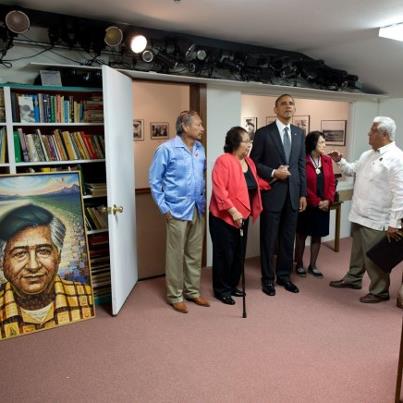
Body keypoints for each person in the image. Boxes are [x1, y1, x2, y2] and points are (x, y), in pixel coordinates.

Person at [329, 116, 403, 303]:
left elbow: (400, 193)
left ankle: (380, 291)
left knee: (374, 257)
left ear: (384, 134)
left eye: (372, 131)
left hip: (378, 217)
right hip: (359, 213)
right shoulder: (368, 154)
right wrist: (340, 161)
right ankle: (353, 278)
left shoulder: (397, 158)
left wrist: (394, 223)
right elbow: (352, 170)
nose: (368, 134)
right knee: (357, 252)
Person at [0, 204, 94, 340]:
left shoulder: (87, 297)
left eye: (43, 251)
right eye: (20, 253)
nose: (33, 266)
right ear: (2, 262)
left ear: (58, 255)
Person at [149, 110, 210, 313]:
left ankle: (192, 291)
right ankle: (175, 295)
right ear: (185, 127)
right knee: (176, 254)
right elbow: (155, 181)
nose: (202, 128)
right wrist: (164, 208)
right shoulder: (166, 149)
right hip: (175, 209)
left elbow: (200, 177)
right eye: (199, 125)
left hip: (197, 208)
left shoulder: (200, 149)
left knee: (194, 254)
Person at [250, 94, 307, 296]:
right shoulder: (264, 133)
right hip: (272, 194)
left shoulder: (300, 133)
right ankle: (268, 279)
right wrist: (274, 172)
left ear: (294, 108)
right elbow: (253, 163)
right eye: (283, 104)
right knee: (268, 238)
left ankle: (284, 276)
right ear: (275, 109)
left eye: (291, 103)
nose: (288, 106)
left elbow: (301, 166)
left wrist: (303, 194)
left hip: (293, 195)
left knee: (287, 239)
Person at [209, 127, 270, 305]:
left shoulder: (249, 162)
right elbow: (220, 190)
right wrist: (233, 211)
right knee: (224, 255)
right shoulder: (224, 161)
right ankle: (221, 290)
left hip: (242, 217)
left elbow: (255, 182)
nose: (250, 145)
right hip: (224, 218)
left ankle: (232, 285)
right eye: (246, 141)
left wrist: (274, 179)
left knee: (238, 255)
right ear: (235, 142)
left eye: (250, 141)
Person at [294, 131, 335, 277]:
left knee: (317, 235)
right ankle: (299, 264)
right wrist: (317, 202)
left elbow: (331, 183)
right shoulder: (303, 161)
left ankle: (313, 265)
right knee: (301, 235)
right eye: (322, 142)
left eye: (325, 142)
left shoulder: (327, 160)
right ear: (313, 144)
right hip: (307, 204)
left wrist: (328, 200)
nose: (325, 145)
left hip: (324, 204)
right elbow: (303, 185)